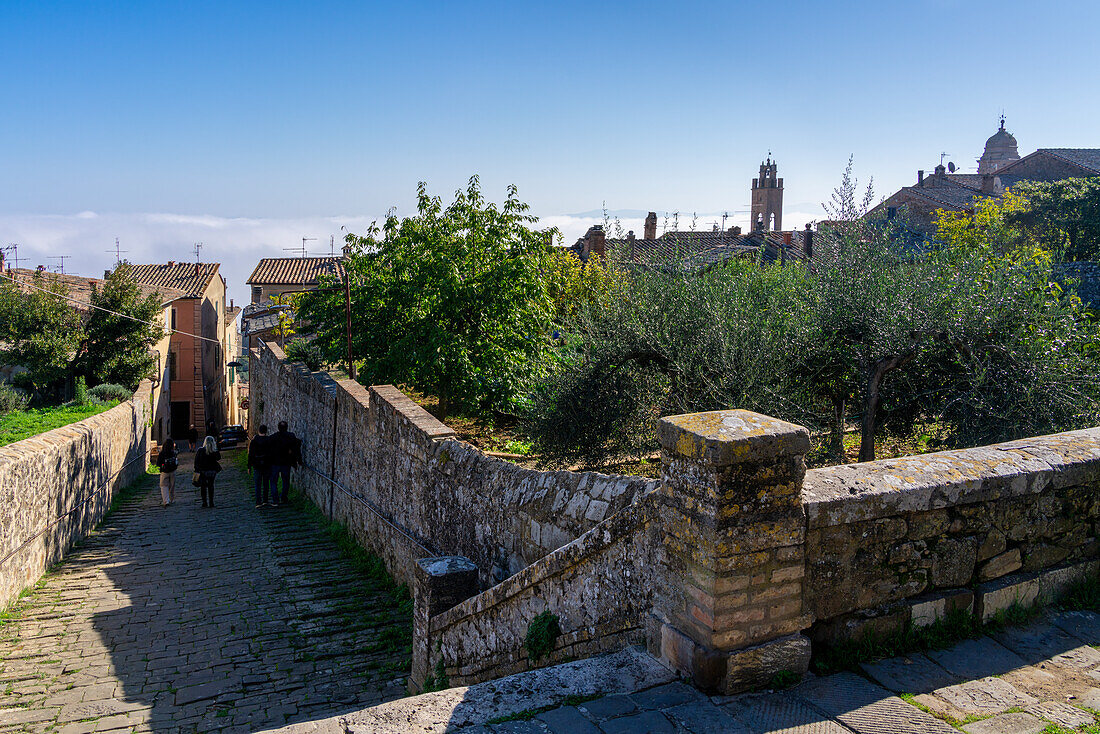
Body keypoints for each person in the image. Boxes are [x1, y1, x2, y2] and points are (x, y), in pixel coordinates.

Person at [268, 421, 301, 507]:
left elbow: (269, 450)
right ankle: (284, 498)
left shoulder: (273, 438)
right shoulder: (291, 437)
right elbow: (296, 447)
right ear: (287, 427)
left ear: (278, 428)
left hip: (275, 463)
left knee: (273, 482)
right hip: (286, 463)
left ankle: (275, 500)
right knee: (285, 481)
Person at [247, 424, 273, 508]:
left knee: (257, 484)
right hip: (267, 464)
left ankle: (258, 502)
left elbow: (250, 454)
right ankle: (265, 500)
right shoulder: (269, 440)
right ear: (266, 431)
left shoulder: (254, 441)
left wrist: (249, 466)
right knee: (266, 483)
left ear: (259, 431)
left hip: (257, 465)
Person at [194, 435, 222, 508]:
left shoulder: (201, 450)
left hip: (203, 471)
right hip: (212, 471)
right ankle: (211, 502)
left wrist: (197, 469)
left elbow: (196, 461)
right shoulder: (214, 451)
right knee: (211, 486)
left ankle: (204, 502)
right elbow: (219, 458)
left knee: (203, 487)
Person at [154, 438, 178, 506]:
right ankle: (172, 499)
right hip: (172, 471)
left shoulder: (162, 453)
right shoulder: (173, 452)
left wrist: (162, 466)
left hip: (164, 472)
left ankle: (166, 501)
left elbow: (158, 463)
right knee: (172, 486)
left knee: (164, 486)